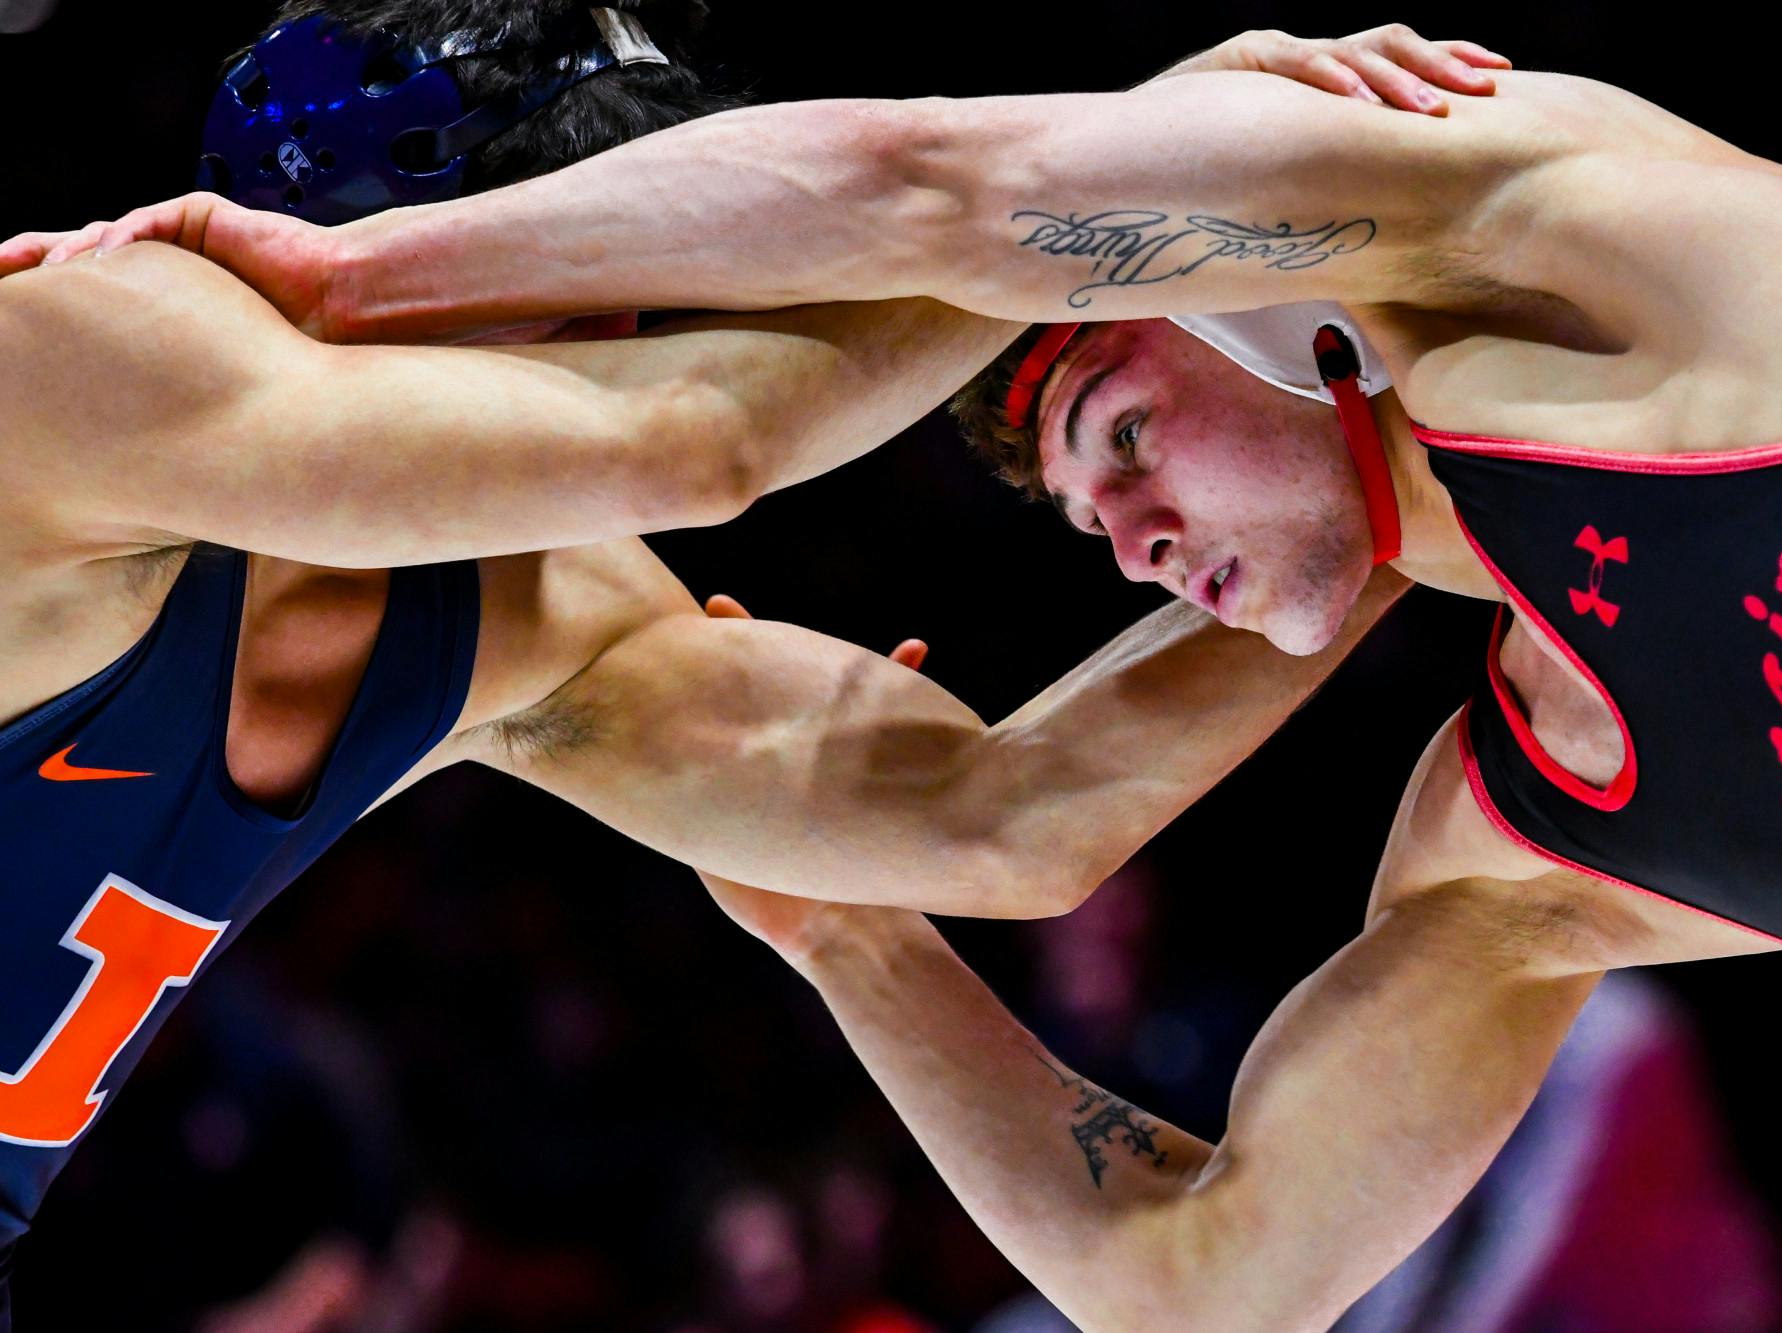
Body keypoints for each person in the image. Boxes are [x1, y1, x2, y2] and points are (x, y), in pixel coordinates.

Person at [138, 27, 1782, 1329]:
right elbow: (1198, 1287)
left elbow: (936, 180)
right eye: (1086, 506)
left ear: (1260, 294)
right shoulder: (1532, 840)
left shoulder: (1638, 262)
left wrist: (355, 281)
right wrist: (852, 944)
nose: (1120, 532)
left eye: (1119, 433)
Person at [0, 9, 1478, 1322]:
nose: (643, 336)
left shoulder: (522, 612)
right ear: (401, 254)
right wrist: (1151, 168)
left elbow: (1008, 818)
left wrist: (1409, 496)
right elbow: (701, 439)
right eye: (612, 287)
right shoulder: (75, 354)